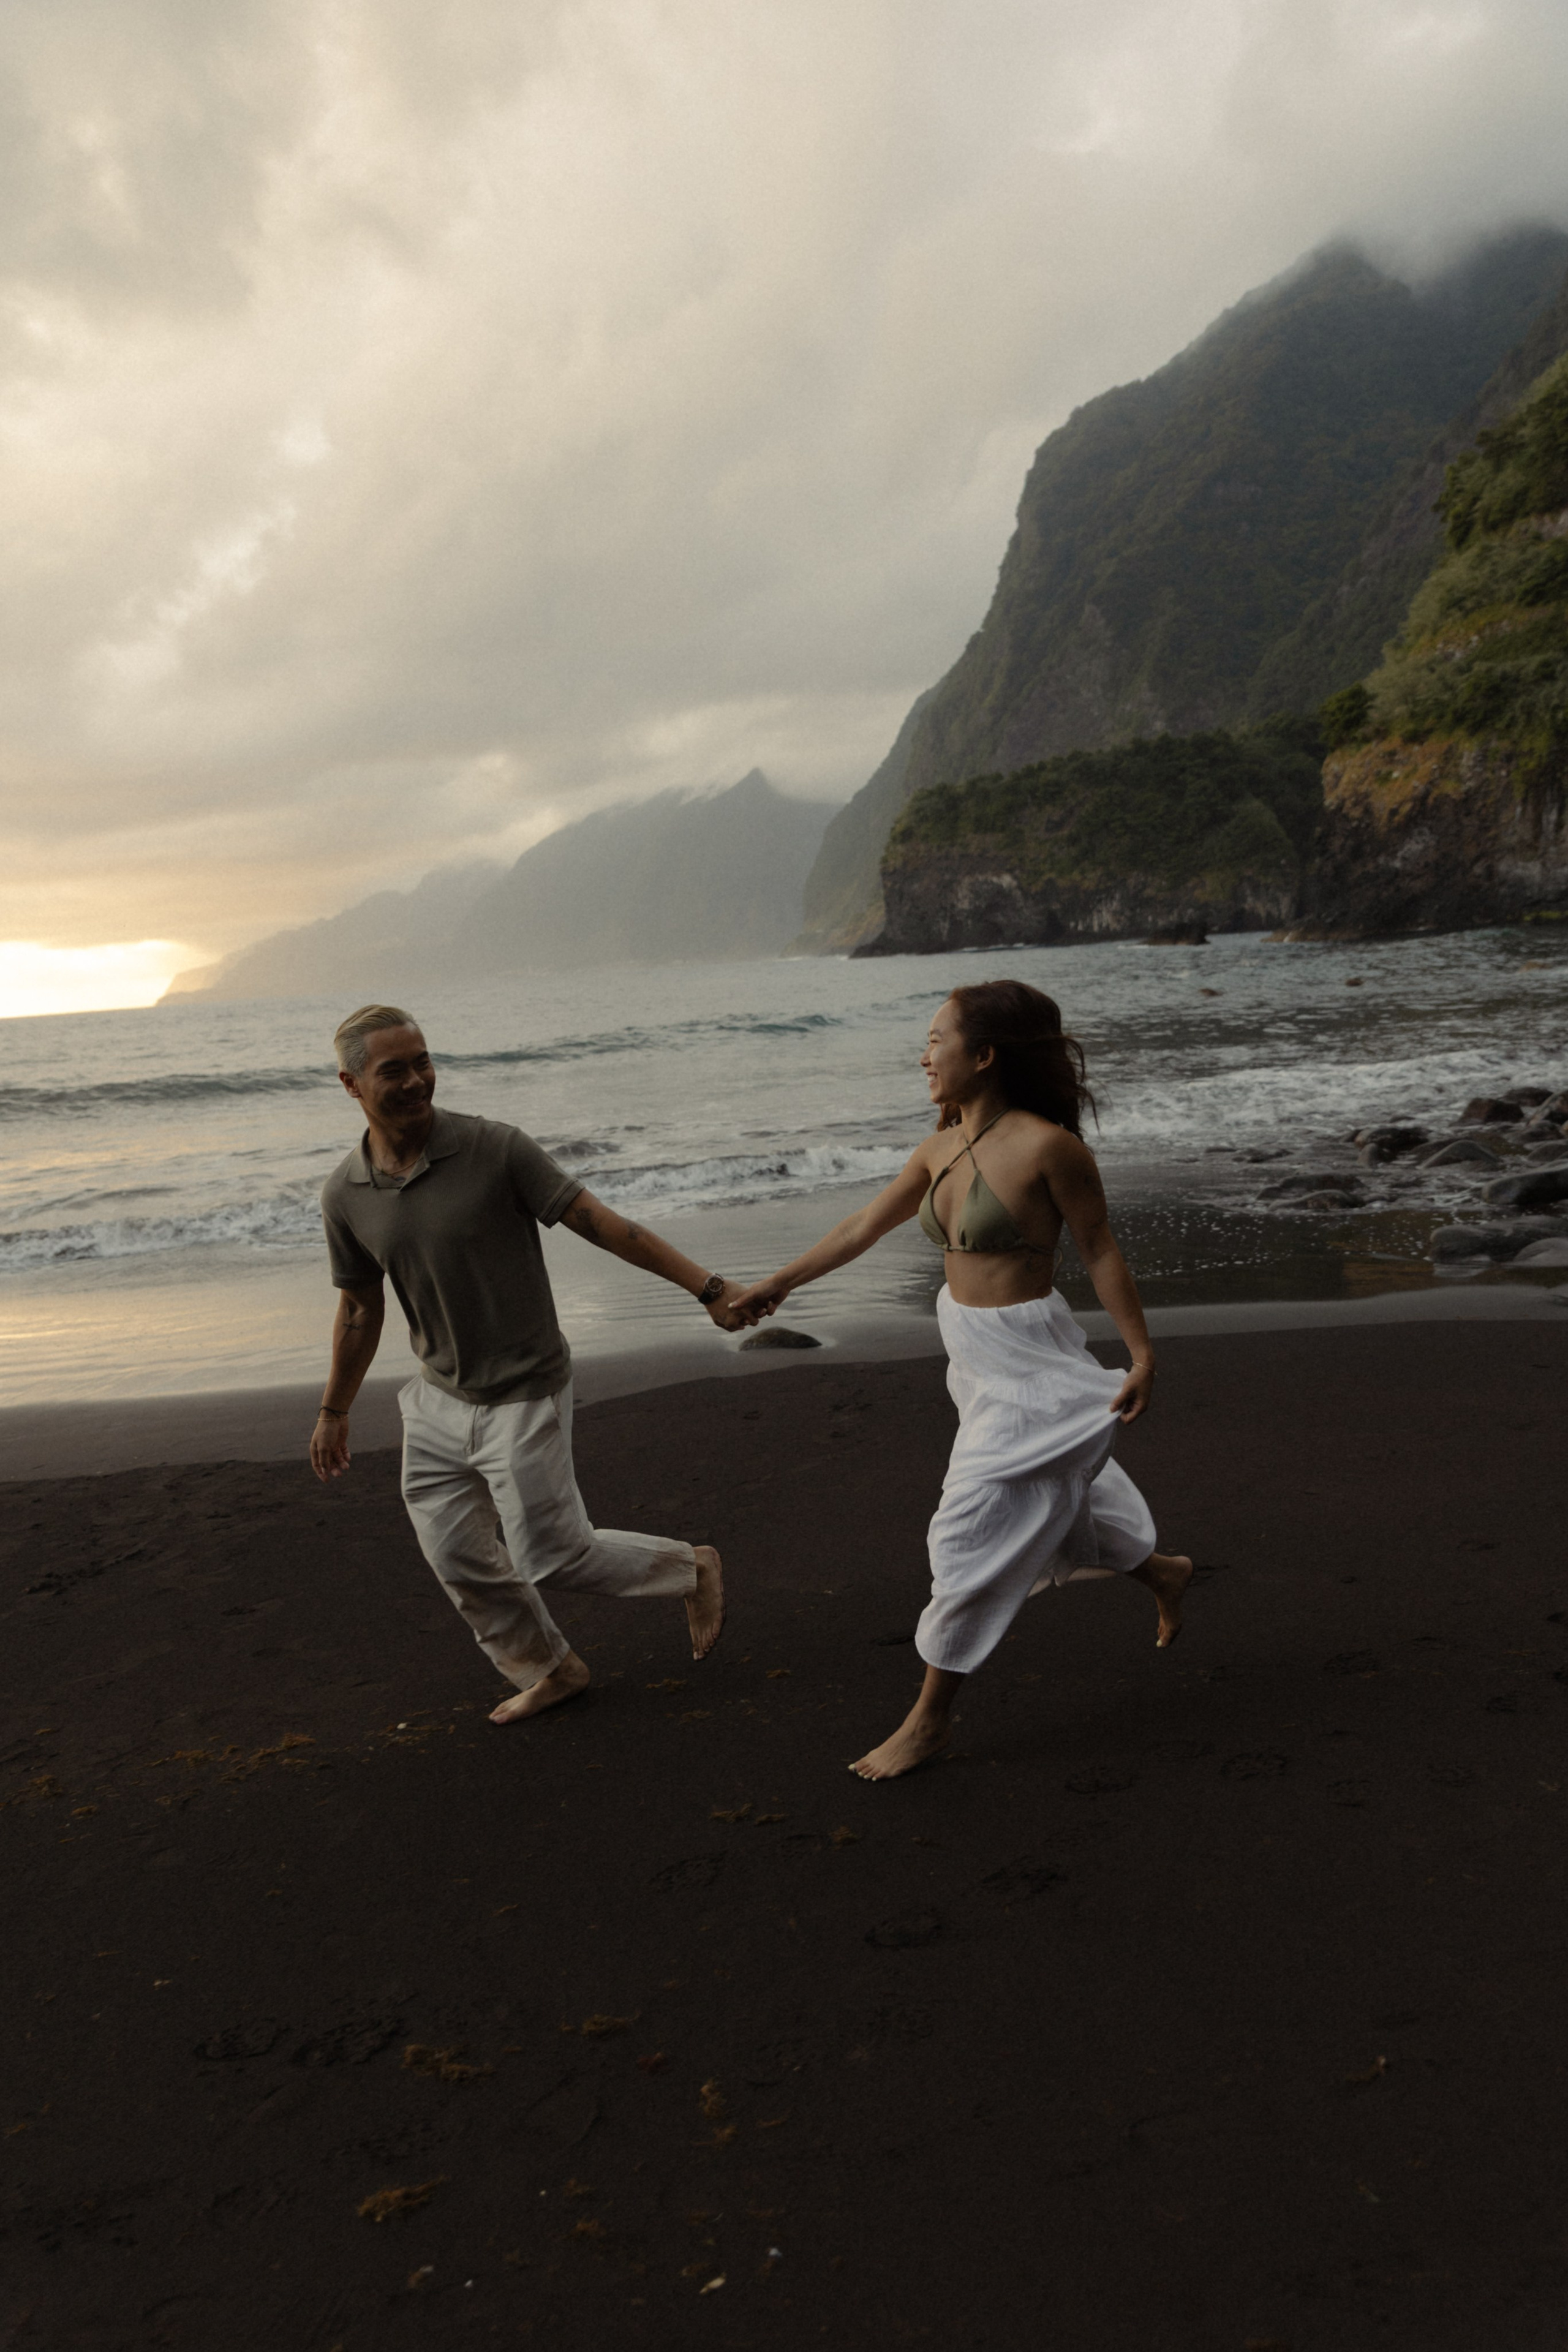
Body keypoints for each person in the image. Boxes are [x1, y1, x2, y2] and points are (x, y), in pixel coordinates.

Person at [733, 978, 1192, 1781]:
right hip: (973, 1354)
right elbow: (860, 1227)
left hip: (1030, 1355)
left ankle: (930, 1719)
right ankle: (1162, 1571)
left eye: (936, 1039)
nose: (924, 1056)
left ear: (984, 1055)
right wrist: (780, 1283)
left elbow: (1101, 1249)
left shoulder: (1049, 1147)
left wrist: (1143, 1356)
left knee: (965, 1530)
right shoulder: (939, 1145)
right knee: (1059, 1494)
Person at [309, 1004, 753, 1723]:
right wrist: (334, 1409)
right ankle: (551, 1669)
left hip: (524, 1393)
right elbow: (360, 1309)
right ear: (351, 1084)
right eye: (395, 1069)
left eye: (423, 1061)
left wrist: (707, 1288)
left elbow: (605, 1225)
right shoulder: (345, 1194)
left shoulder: (494, 1149)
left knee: (552, 1555)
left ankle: (690, 1567)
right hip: (436, 1399)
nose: (418, 1079)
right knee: (456, 1556)